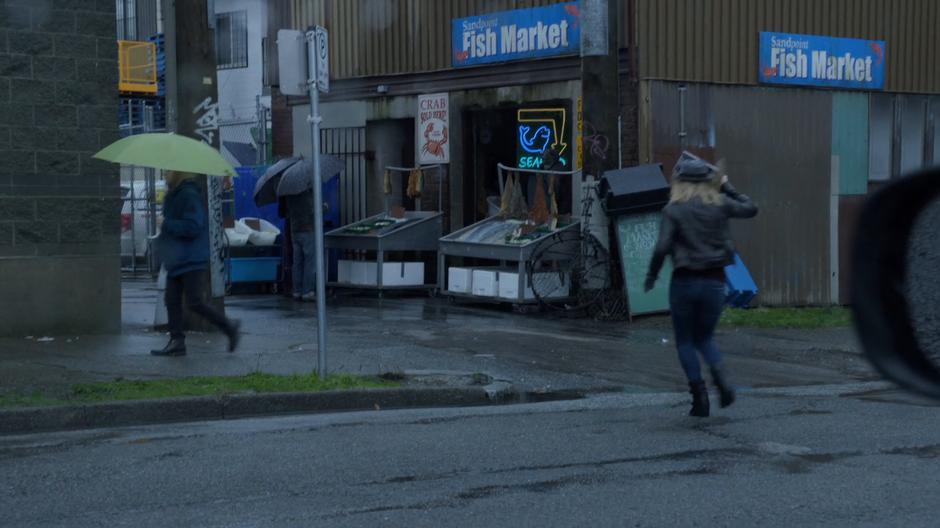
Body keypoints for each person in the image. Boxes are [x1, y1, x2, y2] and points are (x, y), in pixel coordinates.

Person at [645, 158, 758, 417]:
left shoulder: (673, 210)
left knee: (685, 340)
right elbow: (751, 208)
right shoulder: (720, 205)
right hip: (715, 283)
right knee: (704, 338)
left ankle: (700, 398)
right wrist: (727, 188)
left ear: (679, 183)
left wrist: (651, 275)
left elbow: (662, 246)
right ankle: (722, 380)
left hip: (684, 282)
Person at [151, 171, 240, 357]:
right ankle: (177, 341)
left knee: (195, 302)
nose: (165, 175)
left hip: (190, 258)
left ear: (178, 173)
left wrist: (167, 223)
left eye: (168, 171)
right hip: (177, 258)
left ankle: (229, 327)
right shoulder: (174, 194)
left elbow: (193, 225)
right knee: (172, 300)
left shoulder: (188, 195)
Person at [285, 189, 316, 301]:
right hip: (307, 229)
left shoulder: (288, 192)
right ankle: (307, 291)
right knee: (309, 261)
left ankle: (297, 290)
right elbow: (312, 210)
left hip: (294, 230)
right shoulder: (307, 192)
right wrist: (324, 207)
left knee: (297, 262)